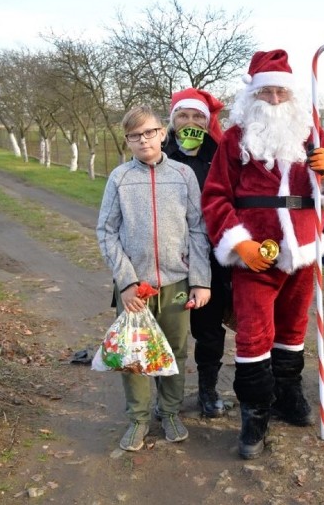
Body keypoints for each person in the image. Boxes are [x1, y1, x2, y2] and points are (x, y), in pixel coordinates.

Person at [200, 49, 324, 459]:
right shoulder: (233, 139)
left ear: (291, 94)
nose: (275, 100)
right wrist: (236, 241)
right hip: (254, 251)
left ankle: (287, 394)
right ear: (252, 97)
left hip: (303, 247)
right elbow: (215, 197)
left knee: (293, 328)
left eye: (281, 92)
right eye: (267, 94)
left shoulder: (309, 132)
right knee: (253, 334)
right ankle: (255, 410)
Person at [97, 105, 212, 451]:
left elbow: (197, 228)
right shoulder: (119, 178)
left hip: (176, 282)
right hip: (135, 288)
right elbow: (106, 231)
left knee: (174, 350)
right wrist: (127, 282)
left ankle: (171, 411)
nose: (143, 139)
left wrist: (200, 280)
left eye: (149, 132)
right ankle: (138, 419)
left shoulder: (183, 175)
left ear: (163, 133)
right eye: (135, 135)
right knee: (136, 354)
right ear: (128, 140)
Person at [164, 87, 231, 418]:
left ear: (207, 122)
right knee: (168, 329)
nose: (190, 122)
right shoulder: (159, 155)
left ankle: (207, 389)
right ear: (173, 119)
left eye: (197, 117)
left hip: (213, 259)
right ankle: (168, 396)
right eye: (183, 115)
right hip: (170, 259)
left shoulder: (221, 156)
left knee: (208, 330)